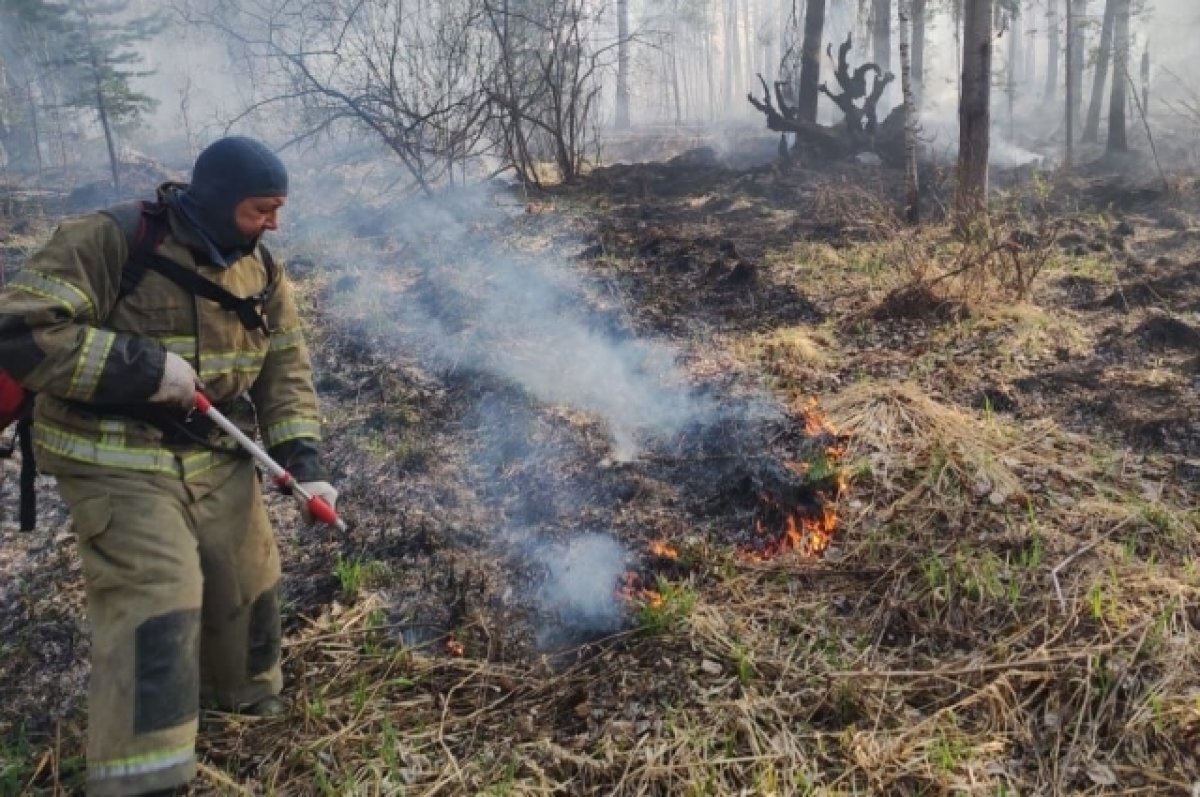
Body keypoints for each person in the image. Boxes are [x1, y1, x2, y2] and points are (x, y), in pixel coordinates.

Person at [0, 136, 337, 796]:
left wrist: (305, 461)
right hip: (114, 457)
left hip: (214, 454)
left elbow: (285, 370)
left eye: (279, 209)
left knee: (249, 581)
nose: (274, 223)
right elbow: (18, 332)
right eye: (261, 209)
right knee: (161, 595)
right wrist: (145, 369)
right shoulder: (107, 242)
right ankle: (142, 777)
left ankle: (241, 708)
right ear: (216, 202)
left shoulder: (262, 272)